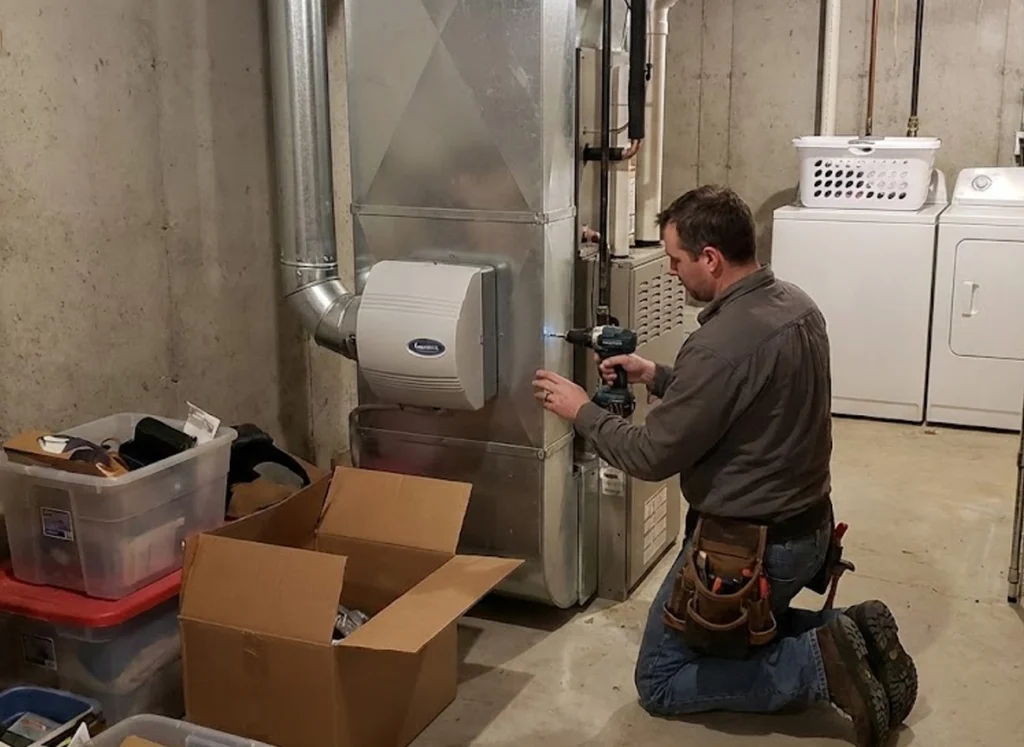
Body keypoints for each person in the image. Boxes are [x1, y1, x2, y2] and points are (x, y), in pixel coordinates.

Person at [532, 186, 917, 747]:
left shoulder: (719, 345)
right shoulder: (797, 306)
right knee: (721, 637)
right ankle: (847, 634)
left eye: (676, 259)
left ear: (710, 257)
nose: (670, 271)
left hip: (750, 549)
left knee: (661, 679)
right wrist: (656, 375)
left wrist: (581, 411)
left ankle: (819, 664)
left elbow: (650, 456)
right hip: (807, 529)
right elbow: (751, 399)